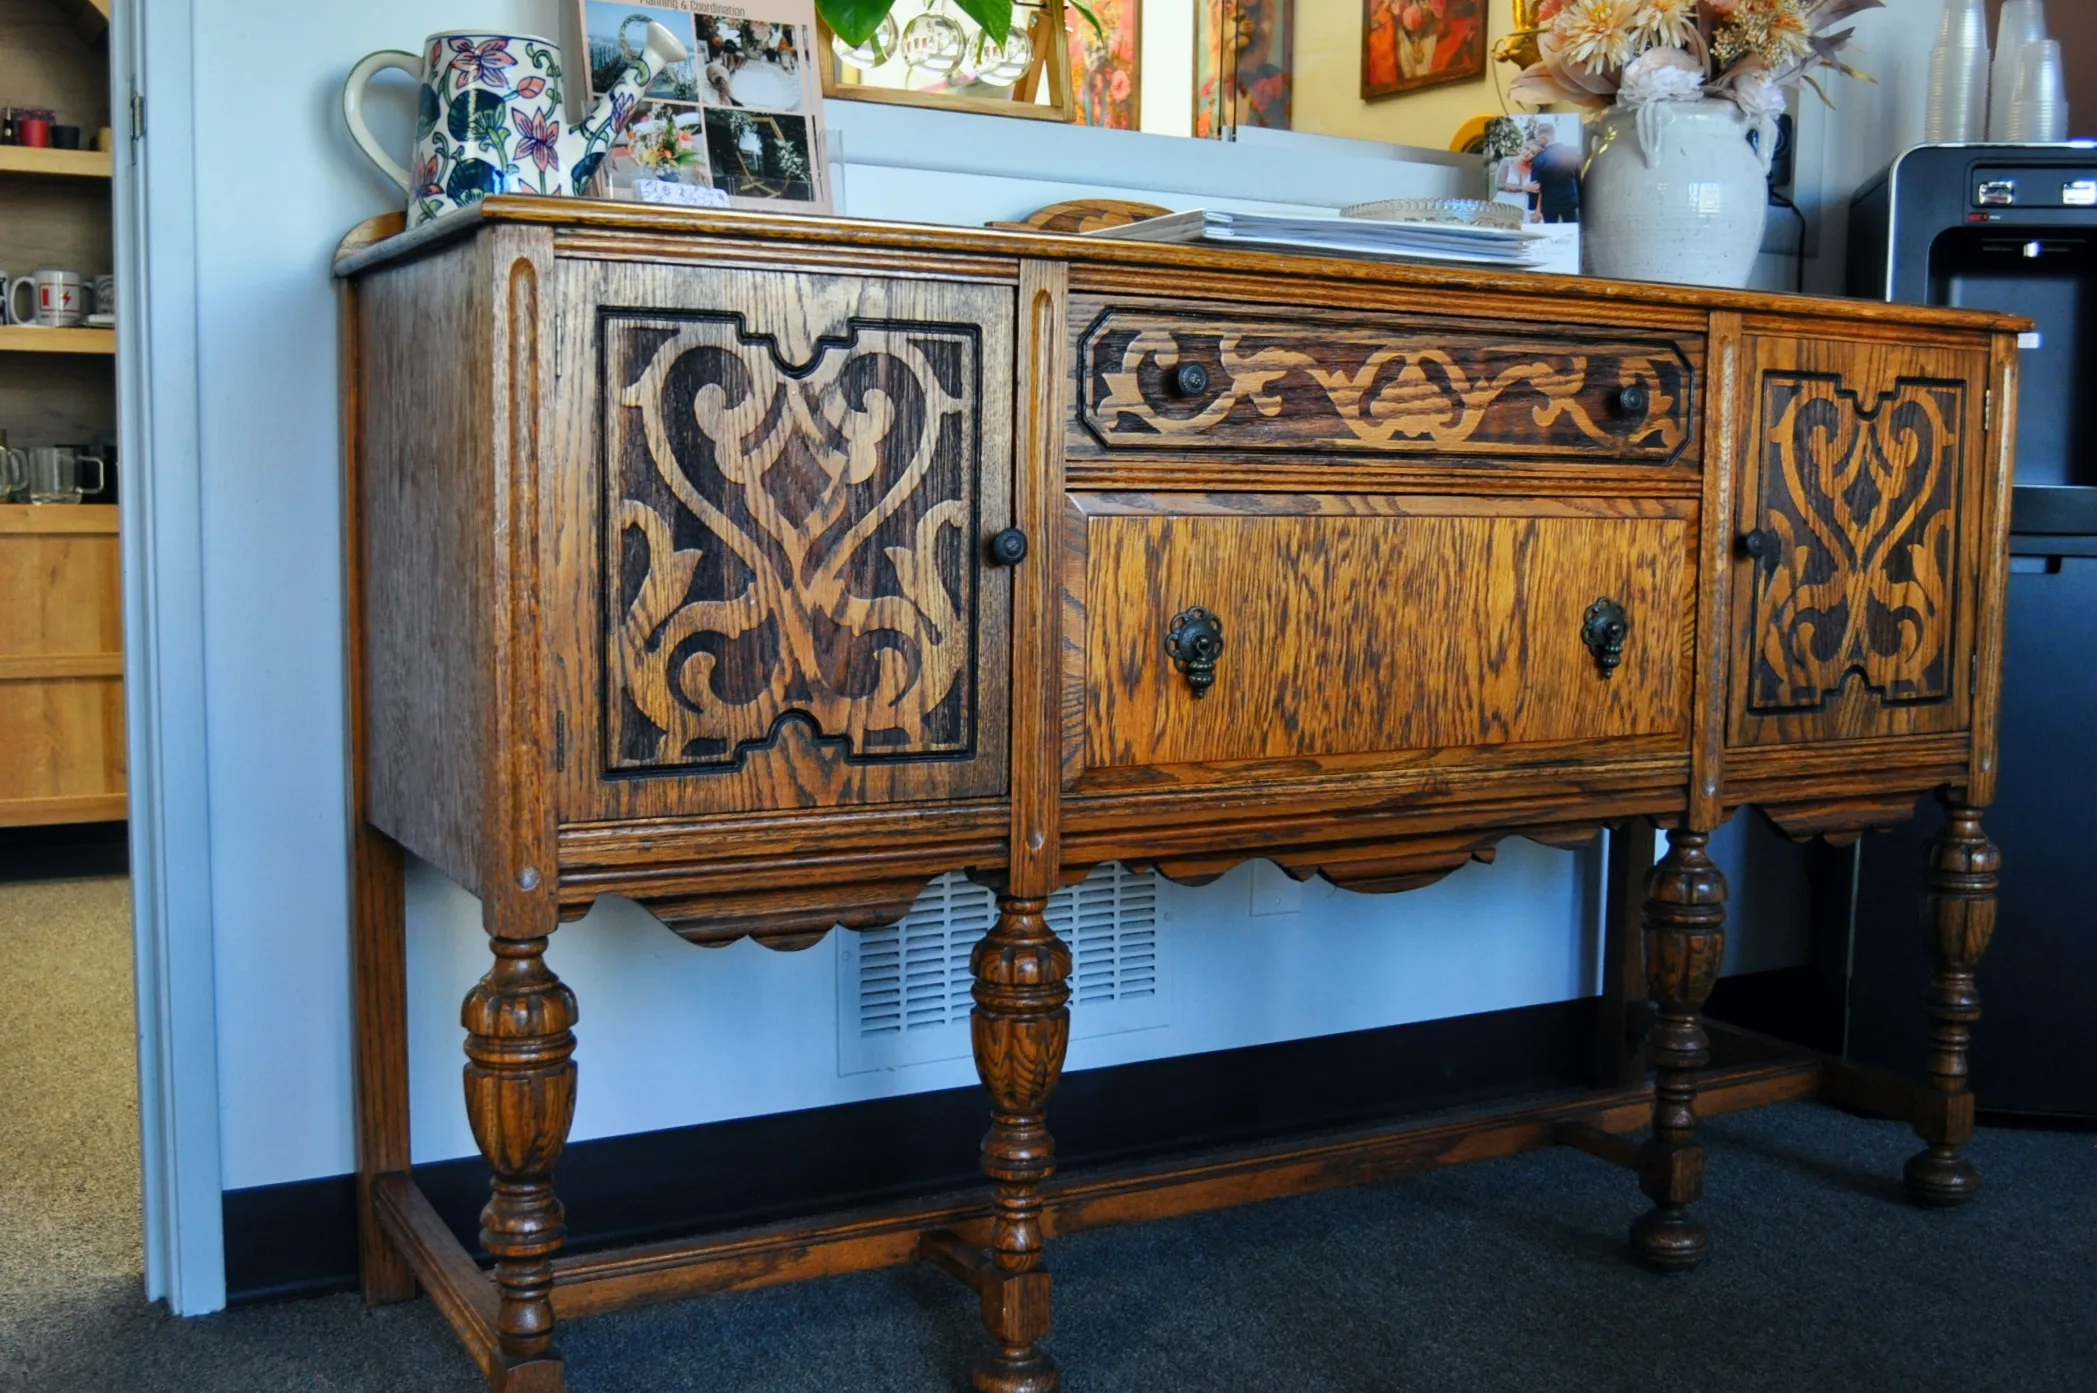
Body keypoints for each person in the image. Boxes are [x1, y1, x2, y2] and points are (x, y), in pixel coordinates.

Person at [1528, 123, 1581, 225]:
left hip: (1549, 204)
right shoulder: (1571, 153)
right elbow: (1578, 179)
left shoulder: (1540, 158)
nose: (1538, 142)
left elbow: (1534, 186)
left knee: (1550, 232)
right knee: (1571, 230)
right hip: (1570, 201)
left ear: (1543, 137)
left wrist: (1532, 209)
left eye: (1537, 139)